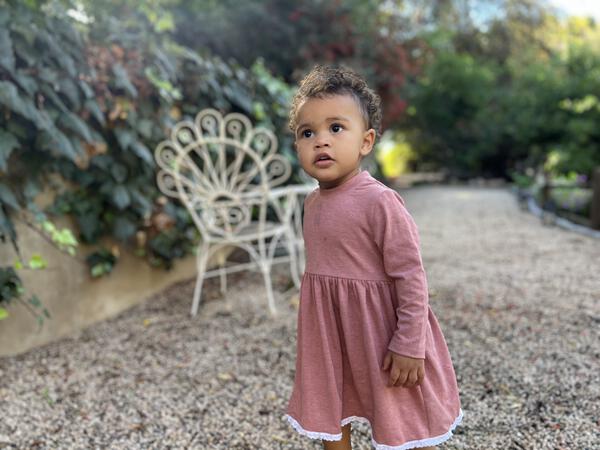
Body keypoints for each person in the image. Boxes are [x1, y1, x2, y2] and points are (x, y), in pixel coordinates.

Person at [283, 65, 463, 450]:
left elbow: (411, 277)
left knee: (398, 414)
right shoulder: (312, 203)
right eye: (307, 132)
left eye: (335, 128)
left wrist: (410, 343)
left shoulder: (380, 202)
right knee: (329, 407)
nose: (320, 141)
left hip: (379, 333)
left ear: (365, 142)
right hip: (329, 334)